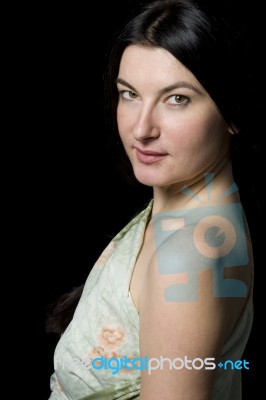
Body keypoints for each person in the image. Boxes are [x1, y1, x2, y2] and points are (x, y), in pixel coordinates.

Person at [47, 0, 262, 398]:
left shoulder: (187, 253)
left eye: (176, 98)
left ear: (232, 113)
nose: (141, 128)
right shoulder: (190, 215)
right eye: (129, 94)